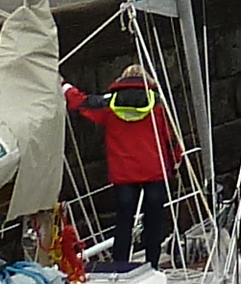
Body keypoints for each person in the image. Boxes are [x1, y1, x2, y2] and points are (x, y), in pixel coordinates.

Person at [64, 64, 184, 271]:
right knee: (154, 223)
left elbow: (82, 103)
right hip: (154, 171)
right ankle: (152, 266)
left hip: (123, 174)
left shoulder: (109, 104)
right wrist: (176, 161)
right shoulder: (157, 104)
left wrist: (63, 86)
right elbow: (169, 137)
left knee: (123, 222)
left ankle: (120, 266)